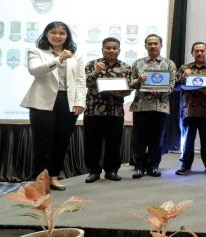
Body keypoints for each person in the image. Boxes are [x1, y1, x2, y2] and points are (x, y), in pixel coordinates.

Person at [21, 21, 86, 190]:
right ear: (46, 34)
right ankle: (40, 181)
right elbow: (35, 71)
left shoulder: (76, 55)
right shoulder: (36, 51)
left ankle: (54, 177)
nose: (57, 36)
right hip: (42, 102)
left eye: (61, 33)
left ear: (67, 36)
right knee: (42, 142)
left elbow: (80, 80)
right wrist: (59, 59)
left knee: (61, 141)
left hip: (68, 101)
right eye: (53, 33)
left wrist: (80, 102)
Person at [83, 37, 131, 183]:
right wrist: (96, 72)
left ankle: (111, 171)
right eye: (108, 48)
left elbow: (128, 90)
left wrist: (117, 92)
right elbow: (85, 83)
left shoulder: (125, 67)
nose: (111, 50)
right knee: (92, 143)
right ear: (102, 49)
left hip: (115, 111)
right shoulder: (92, 64)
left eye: (114, 48)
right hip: (93, 110)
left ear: (119, 50)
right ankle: (93, 171)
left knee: (114, 143)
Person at [129, 34, 177, 179]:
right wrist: (138, 80)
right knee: (139, 139)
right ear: (145, 46)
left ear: (161, 45)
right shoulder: (137, 63)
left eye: (156, 43)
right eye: (150, 43)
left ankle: (153, 166)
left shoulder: (169, 64)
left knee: (157, 139)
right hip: (141, 106)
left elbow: (172, 85)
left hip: (160, 107)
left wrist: (162, 89)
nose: (153, 46)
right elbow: (130, 84)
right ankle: (139, 167)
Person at [174, 42, 206, 176]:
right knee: (187, 139)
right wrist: (183, 77)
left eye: (202, 51)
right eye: (196, 51)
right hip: (188, 109)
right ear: (192, 53)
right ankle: (185, 165)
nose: (199, 53)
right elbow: (175, 87)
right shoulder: (184, 68)